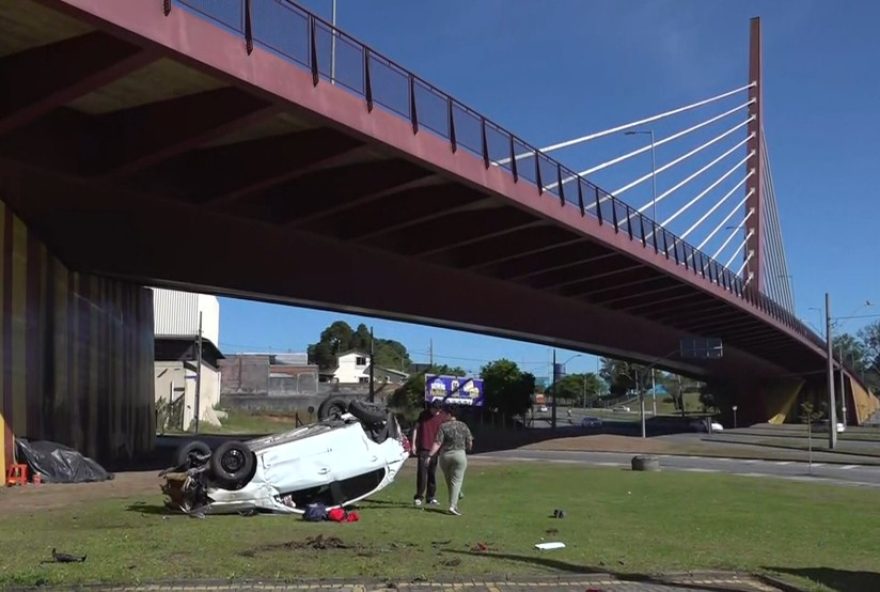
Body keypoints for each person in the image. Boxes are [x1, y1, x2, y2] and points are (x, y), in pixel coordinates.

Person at [428, 404, 474, 516]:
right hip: (459, 454)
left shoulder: (443, 427)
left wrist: (430, 455)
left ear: (449, 414)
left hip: (445, 455)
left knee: (449, 480)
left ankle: (455, 500)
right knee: (456, 480)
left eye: (444, 413)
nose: (443, 415)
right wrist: (468, 448)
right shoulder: (463, 426)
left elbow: (437, 443)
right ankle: (453, 506)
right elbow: (470, 442)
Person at [411, 399, 447, 506]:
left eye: (438, 410)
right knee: (422, 473)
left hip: (435, 449)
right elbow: (416, 429)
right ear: (431, 407)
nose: (436, 412)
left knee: (432, 473)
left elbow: (445, 433)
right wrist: (413, 443)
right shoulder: (423, 415)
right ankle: (419, 496)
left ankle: (431, 497)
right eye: (435, 409)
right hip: (423, 447)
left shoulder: (442, 417)